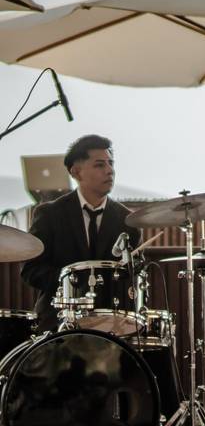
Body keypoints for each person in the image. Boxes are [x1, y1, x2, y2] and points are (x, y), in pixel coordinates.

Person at [21, 135, 141, 333]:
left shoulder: (128, 221)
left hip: (112, 326)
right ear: (76, 171)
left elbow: (136, 275)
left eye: (111, 163)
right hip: (57, 322)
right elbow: (30, 270)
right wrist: (71, 281)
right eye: (100, 165)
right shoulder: (49, 214)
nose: (110, 170)